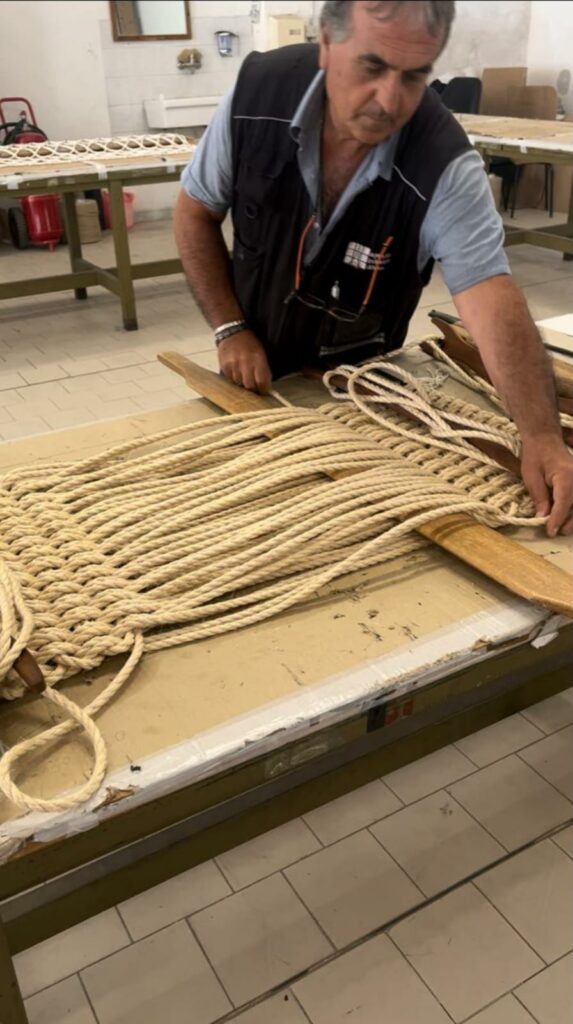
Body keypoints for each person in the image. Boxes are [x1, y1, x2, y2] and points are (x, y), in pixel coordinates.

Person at [174, 0, 573, 536]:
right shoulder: (256, 96)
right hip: (248, 374)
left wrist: (543, 436)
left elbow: (490, 295)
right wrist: (230, 327)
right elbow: (194, 214)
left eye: (413, 77)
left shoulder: (443, 164)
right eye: (372, 67)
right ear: (326, 45)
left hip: (360, 390)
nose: (389, 100)